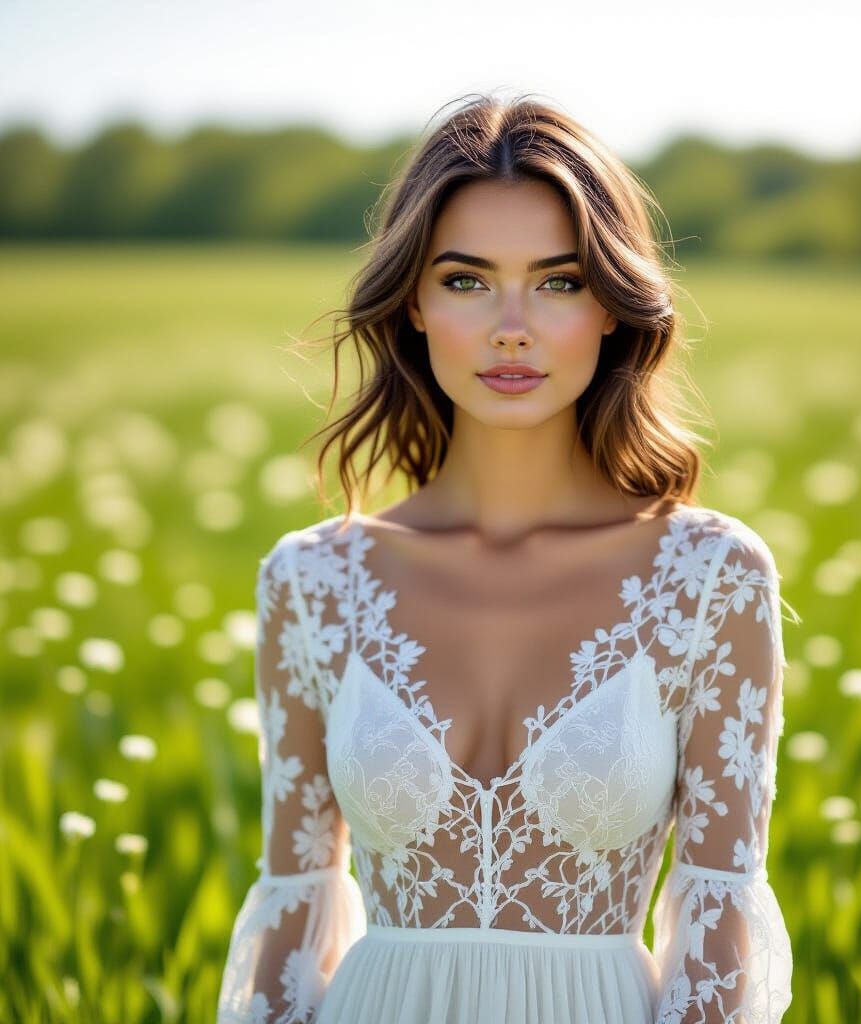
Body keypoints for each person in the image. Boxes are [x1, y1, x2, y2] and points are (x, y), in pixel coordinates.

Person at [216, 90, 797, 1024]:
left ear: (611, 308)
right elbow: (294, 910)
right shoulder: (313, 581)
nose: (511, 326)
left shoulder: (710, 575)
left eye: (558, 283)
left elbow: (718, 922)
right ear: (413, 301)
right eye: (467, 280)